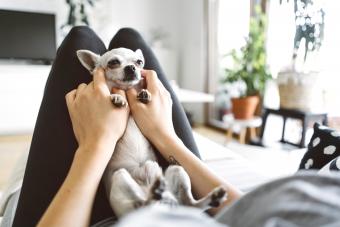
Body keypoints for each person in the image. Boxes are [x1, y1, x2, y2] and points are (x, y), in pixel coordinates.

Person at [11, 27, 340, 227]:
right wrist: (164, 136)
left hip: (101, 204)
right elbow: (249, 210)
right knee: (129, 39)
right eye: (118, 64)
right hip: (183, 199)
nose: (134, 69)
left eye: (136, 64)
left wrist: (95, 145)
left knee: (81, 38)